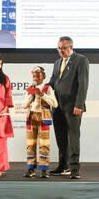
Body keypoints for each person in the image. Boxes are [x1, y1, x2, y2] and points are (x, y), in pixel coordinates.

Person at [48, 36, 89, 179]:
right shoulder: (57, 62)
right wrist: (40, 89)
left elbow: (83, 84)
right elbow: (53, 82)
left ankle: (74, 169)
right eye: (59, 48)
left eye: (64, 48)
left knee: (73, 137)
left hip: (73, 106)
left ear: (71, 47)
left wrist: (79, 104)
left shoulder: (81, 60)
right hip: (57, 106)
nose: (61, 51)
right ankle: (62, 166)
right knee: (61, 137)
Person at [23, 66, 58, 178]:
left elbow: (55, 103)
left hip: (43, 117)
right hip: (31, 117)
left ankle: (44, 169)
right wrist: (31, 95)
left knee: (44, 144)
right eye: (34, 74)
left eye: (38, 74)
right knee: (30, 144)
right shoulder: (30, 88)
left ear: (43, 75)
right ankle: (30, 169)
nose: (36, 76)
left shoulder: (48, 88)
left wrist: (42, 94)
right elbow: (24, 105)